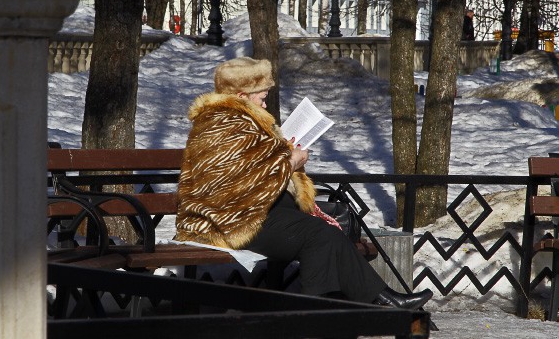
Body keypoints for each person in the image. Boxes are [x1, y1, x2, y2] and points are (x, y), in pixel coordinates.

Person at [175, 56, 433, 308]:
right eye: (262, 98)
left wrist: (285, 154)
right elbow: (239, 184)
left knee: (327, 232)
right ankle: (316, 312)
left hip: (254, 212)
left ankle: (378, 299)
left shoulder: (238, 121)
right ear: (242, 96)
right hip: (230, 221)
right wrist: (290, 163)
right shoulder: (225, 124)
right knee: (318, 236)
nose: (265, 105)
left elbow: (252, 169)